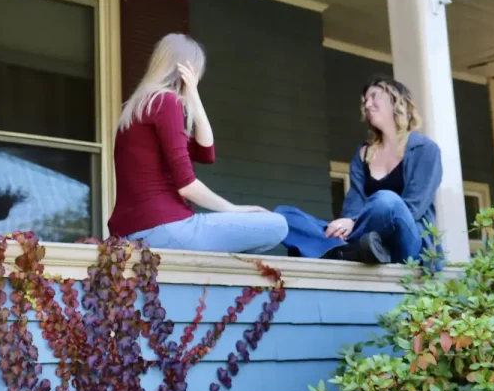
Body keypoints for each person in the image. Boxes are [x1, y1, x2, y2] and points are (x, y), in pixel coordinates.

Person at [108, 33, 288, 253]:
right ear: (188, 71)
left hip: (133, 231)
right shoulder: (165, 102)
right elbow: (187, 186)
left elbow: (205, 153)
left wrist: (193, 97)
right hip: (165, 228)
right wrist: (234, 209)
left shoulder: (139, 108)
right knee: (278, 225)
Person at [275, 74, 443, 267]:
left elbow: (414, 208)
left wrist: (353, 222)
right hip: (361, 236)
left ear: (397, 101)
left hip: (407, 242)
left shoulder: (424, 149)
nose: (368, 105)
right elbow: (352, 207)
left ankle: (340, 249)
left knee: (386, 201)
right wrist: (348, 220)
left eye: (374, 97)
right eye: (365, 101)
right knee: (285, 216)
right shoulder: (364, 153)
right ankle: (354, 250)